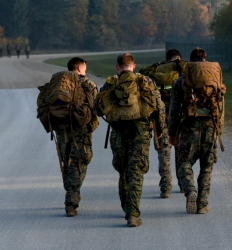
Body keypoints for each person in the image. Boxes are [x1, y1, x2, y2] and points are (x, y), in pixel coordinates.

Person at [96, 53, 165, 227]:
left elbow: (97, 108)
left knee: (123, 171)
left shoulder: (111, 83)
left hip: (118, 134)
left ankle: (127, 207)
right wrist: (160, 129)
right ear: (133, 65)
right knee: (136, 172)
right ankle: (133, 213)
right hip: (140, 132)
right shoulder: (145, 81)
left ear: (117, 67)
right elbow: (159, 106)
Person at [168, 48, 226, 214]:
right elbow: (221, 106)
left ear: (190, 61)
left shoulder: (181, 81)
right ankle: (202, 204)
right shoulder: (215, 80)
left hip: (189, 127)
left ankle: (190, 189)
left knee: (184, 163)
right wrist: (219, 130)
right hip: (210, 126)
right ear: (205, 60)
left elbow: (173, 109)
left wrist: (172, 133)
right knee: (207, 166)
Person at [54, 57, 99, 217]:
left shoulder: (59, 83)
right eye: (84, 68)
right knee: (80, 162)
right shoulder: (88, 84)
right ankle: (71, 201)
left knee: (67, 161)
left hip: (61, 130)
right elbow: (97, 107)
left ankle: (70, 192)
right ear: (80, 68)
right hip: (81, 130)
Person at [153, 49, 187, 198]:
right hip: (179, 117)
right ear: (179, 58)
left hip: (160, 118)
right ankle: (182, 183)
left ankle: (165, 187)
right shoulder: (182, 70)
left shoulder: (157, 70)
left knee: (163, 153)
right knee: (181, 151)